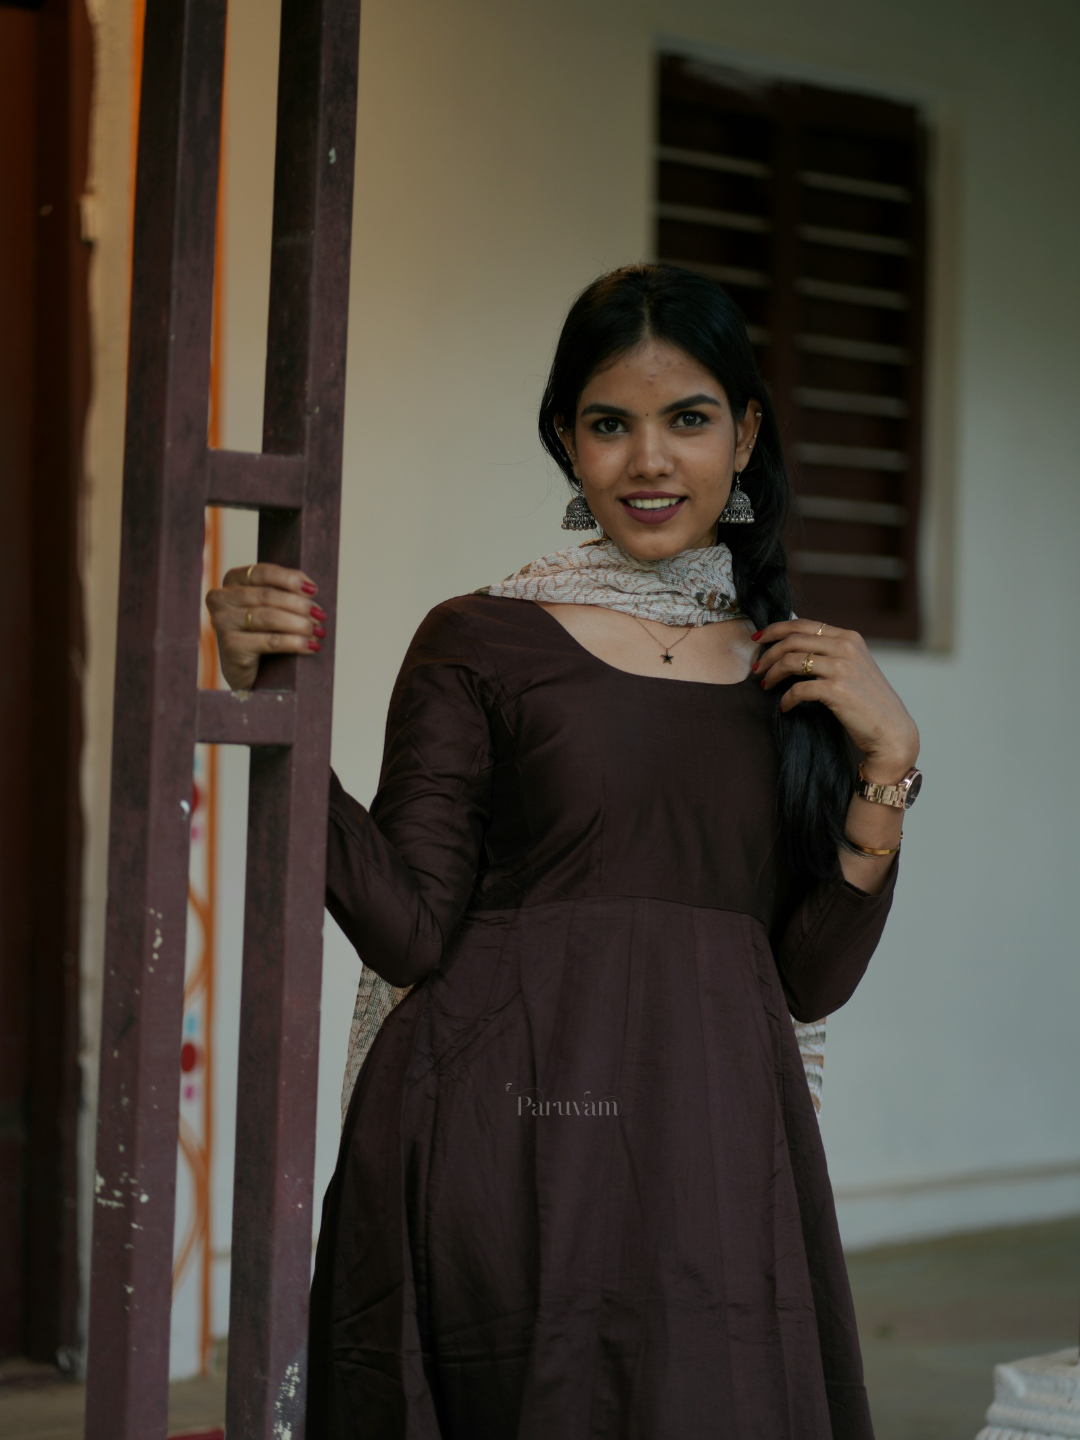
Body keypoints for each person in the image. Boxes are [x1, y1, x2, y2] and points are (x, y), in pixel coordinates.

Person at [207, 263, 921, 1439]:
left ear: (744, 435)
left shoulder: (799, 673)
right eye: (609, 423)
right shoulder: (481, 637)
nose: (650, 461)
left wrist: (889, 758)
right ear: (566, 441)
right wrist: (260, 703)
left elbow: (806, 980)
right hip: (506, 1151)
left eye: (688, 419)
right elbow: (405, 924)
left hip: (715, 1163)